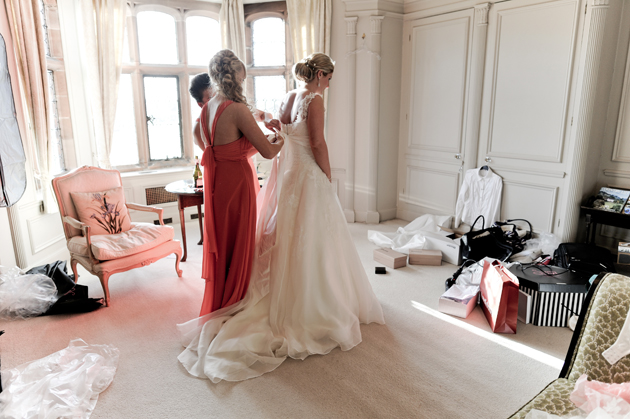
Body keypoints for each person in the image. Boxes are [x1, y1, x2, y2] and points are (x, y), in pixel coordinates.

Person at [178, 52, 385, 383]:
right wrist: (327, 176)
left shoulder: (286, 96)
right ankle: (314, 299)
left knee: (286, 231)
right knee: (314, 234)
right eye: (330, 77)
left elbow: (280, 129)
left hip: (285, 171)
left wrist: (280, 134)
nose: (330, 83)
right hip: (302, 170)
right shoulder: (313, 99)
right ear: (320, 75)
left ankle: (268, 290)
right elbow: (317, 142)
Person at [196, 49, 283, 316]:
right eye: (242, 79)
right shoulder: (236, 109)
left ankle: (223, 298)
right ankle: (236, 301)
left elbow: (205, 144)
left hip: (216, 184)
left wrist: (234, 151)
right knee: (240, 240)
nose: (243, 84)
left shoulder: (206, 109)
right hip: (238, 183)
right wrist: (280, 137)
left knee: (223, 241)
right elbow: (268, 152)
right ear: (234, 78)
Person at [189, 73, 280, 152]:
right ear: (200, 105)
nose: (216, 100)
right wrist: (263, 144)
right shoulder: (198, 129)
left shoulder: (231, 109)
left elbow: (263, 115)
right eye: (210, 98)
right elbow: (214, 161)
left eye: (217, 94)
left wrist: (267, 120)